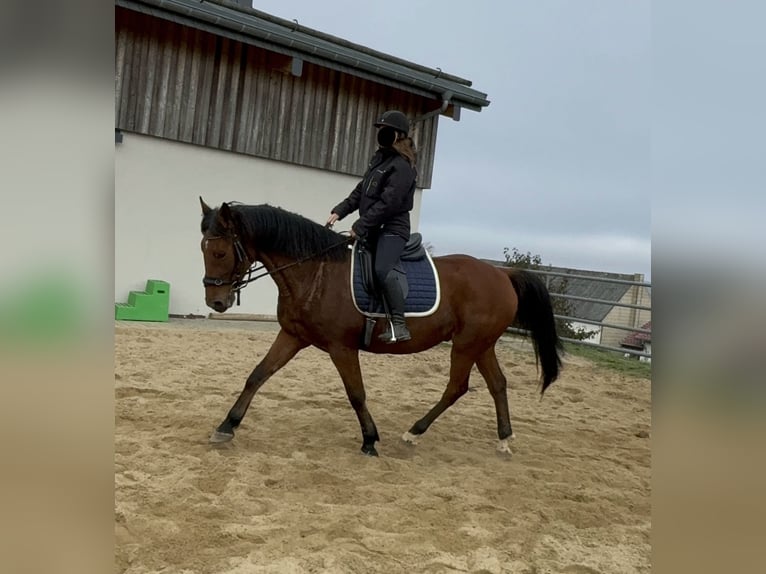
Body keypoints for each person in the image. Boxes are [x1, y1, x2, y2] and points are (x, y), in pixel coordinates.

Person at [326, 110, 417, 343]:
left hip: (393, 229)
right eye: (380, 130)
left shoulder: (403, 166)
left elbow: (389, 202)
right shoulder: (379, 161)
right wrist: (340, 210)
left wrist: (361, 225)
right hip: (374, 226)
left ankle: (399, 325)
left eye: (385, 130)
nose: (381, 134)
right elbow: (360, 191)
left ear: (398, 135)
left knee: (381, 270)